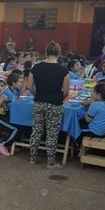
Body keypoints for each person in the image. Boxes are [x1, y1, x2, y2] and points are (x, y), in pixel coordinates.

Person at [26, 41, 69, 170]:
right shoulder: (63, 70)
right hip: (55, 104)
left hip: (39, 102)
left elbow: (29, 86)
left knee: (36, 130)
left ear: (46, 52)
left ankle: (32, 159)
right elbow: (66, 91)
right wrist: (59, 98)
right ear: (59, 53)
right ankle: (50, 163)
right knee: (52, 133)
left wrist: (37, 94)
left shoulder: (36, 67)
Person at [77, 82, 105, 146]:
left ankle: (76, 147)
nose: (92, 94)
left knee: (75, 127)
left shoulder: (96, 105)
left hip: (95, 131)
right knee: (80, 122)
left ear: (99, 94)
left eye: (93, 92)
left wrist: (91, 104)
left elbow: (87, 120)